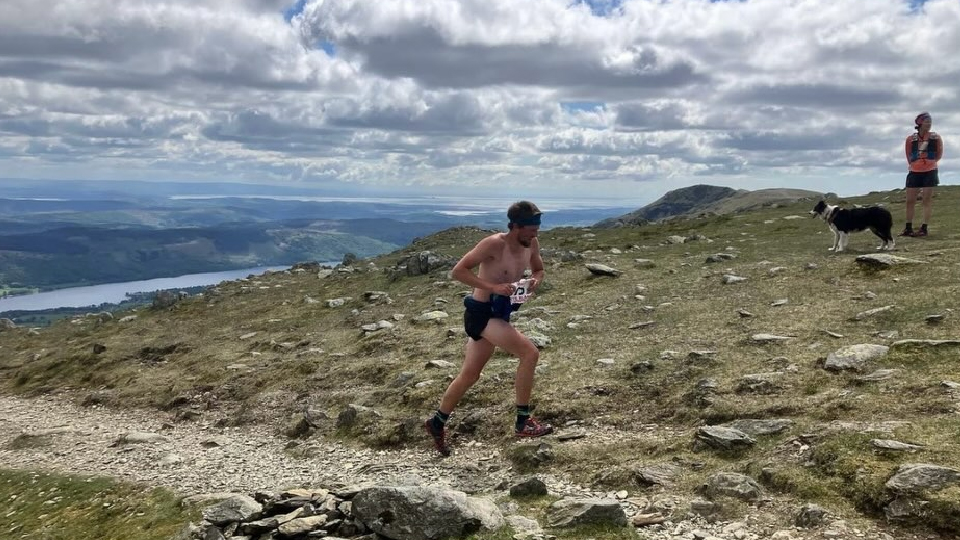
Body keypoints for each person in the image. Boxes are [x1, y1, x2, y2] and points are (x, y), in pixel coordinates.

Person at [424, 200, 553, 456]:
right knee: (530, 353)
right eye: (530, 229)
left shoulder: (532, 243)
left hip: (500, 313)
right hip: (482, 314)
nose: (535, 234)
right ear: (515, 226)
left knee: (469, 375)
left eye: (537, 229)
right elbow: (458, 271)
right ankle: (523, 421)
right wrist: (493, 287)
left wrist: (534, 281)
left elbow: (538, 269)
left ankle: (437, 422)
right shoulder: (493, 244)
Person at [900, 111, 943, 237]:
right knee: (910, 200)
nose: (929, 124)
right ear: (919, 123)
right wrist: (915, 164)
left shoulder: (935, 137)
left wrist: (930, 163)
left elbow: (939, 154)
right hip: (914, 171)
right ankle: (908, 228)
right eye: (926, 121)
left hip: (930, 170)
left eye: (930, 122)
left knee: (926, 200)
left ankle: (924, 228)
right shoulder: (910, 139)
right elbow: (908, 154)